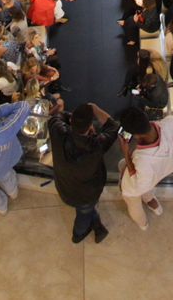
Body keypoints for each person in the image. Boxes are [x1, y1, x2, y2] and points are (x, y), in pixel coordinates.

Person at [49, 100, 121, 243]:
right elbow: (113, 125)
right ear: (90, 127)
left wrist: (70, 114)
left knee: (86, 210)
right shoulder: (96, 145)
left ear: (71, 121)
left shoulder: (57, 130)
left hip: (64, 186)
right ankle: (78, 234)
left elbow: (56, 117)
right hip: (86, 195)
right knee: (84, 214)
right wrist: (94, 108)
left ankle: (94, 220)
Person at [118, 105, 173, 229]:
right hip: (167, 167)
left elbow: (139, 184)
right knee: (149, 183)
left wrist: (126, 152)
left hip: (139, 183)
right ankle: (153, 204)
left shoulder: (143, 160)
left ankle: (143, 223)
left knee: (133, 202)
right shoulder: (169, 124)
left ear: (137, 136)